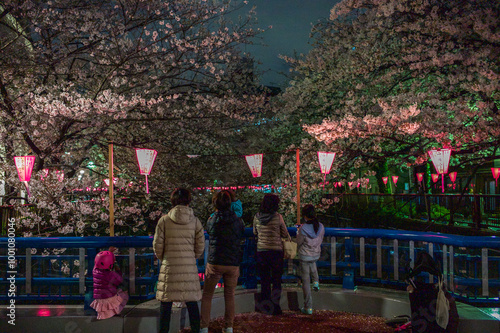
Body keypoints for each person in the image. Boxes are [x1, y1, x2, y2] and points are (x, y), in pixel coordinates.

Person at [153, 188, 205, 333]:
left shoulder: (164, 221)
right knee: (192, 303)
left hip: (170, 267)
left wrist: (165, 258)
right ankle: (196, 330)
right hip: (188, 266)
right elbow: (200, 247)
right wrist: (190, 257)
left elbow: (158, 246)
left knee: (166, 304)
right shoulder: (195, 221)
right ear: (189, 200)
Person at [200, 190, 245, 333]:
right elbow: (241, 233)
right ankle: (228, 326)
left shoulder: (211, 219)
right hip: (232, 263)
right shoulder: (238, 220)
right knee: (230, 295)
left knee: (207, 295)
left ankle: (203, 327)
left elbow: (209, 231)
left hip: (215, 261)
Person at [253, 193, 290, 315]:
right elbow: (284, 233)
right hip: (276, 252)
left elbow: (254, 232)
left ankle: (265, 306)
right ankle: (276, 306)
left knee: (264, 280)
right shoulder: (278, 217)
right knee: (276, 280)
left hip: (262, 251)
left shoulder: (257, 217)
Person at [296, 204, 325, 315]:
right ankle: (316, 282)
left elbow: (299, 242)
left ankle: (308, 307)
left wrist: (298, 233)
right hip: (316, 254)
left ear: (305, 216)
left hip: (304, 256)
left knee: (305, 281)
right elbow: (321, 239)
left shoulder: (303, 228)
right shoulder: (321, 226)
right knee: (312, 263)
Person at [90, 247, 129, 319]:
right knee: (123, 293)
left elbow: (98, 263)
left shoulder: (95, 271)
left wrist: (108, 252)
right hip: (108, 298)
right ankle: (115, 312)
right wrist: (117, 269)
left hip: (99, 299)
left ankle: (105, 314)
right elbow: (120, 280)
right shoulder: (111, 274)